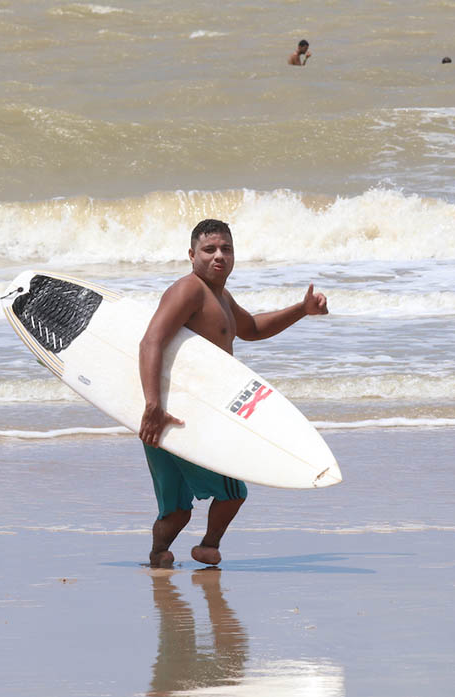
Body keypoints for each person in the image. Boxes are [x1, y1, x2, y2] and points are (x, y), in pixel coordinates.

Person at [138, 219, 327, 568]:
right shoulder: (189, 290)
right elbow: (151, 340)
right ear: (192, 254)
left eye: (226, 249)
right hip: (179, 414)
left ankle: (158, 556)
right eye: (209, 250)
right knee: (233, 492)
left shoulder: (221, 297)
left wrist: (302, 310)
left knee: (177, 510)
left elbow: (251, 328)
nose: (219, 256)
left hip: (169, 413)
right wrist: (152, 404)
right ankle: (208, 546)